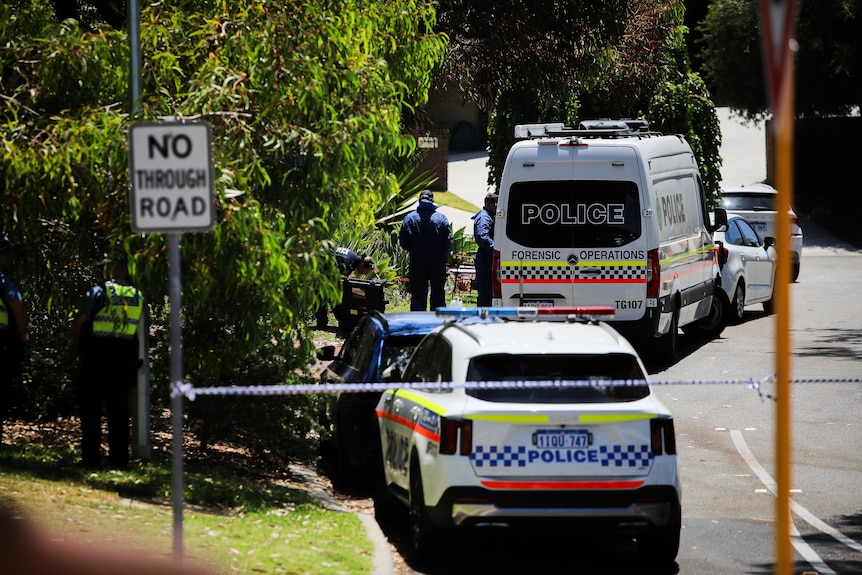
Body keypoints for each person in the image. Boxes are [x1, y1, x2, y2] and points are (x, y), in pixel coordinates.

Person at [71, 253, 144, 469]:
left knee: (91, 409)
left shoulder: (99, 291)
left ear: (114, 269)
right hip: (123, 359)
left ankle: (91, 458)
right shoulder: (137, 295)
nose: (102, 273)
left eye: (104, 269)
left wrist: (78, 343)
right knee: (119, 412)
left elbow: (81, 321)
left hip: (97, 357)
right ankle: (119, 461)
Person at [398, 190, 451, 311]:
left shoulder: (409, 218)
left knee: (418, 295)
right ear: (432, 200)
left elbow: (403, 240)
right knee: (438, 293)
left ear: (419, 200)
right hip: (437, 260)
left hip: (417, 260)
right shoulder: (441, 218)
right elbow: (447, 242)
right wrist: (440, 253)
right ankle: (437, 322)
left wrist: (413, 249)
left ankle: (418, 321)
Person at [0, 234, 29, 442]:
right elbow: (18, 308)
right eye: (6, 254)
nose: (10, 259)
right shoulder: (5, 281)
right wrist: (23, 335)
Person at [315, 247, 376, 329]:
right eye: (366, 272)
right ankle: (323, 324)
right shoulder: (347, 261)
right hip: (319, 262)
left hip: (325, 265)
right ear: (362, 265)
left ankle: (330, 322)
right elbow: (333, 277)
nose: (365, 274)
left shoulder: (353, 259)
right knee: (324, 294)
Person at [472, 192, 498, 307]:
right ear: (488, 203)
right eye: (495, 204)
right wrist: (497, 250)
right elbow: (482, 237)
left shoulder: (489, 216)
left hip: (488, 257)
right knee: (485, 292)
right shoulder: (484, 218)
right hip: (486, 258)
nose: (497, 207)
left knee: (490, 291)